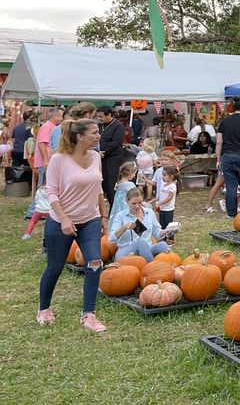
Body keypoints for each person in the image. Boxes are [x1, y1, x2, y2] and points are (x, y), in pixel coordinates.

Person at [37, 118, 108, 332]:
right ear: (80, 136)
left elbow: (99, 189)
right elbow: (51, 192)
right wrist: (64, 218)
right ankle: (44, 309)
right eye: (94, 132)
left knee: (94, 263)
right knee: (55, 267)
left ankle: (89, 315)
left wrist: (103, 217)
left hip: (90, 220)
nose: (98, 136)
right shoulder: (58, 159)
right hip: (61, 222)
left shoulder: (95, 157)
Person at [109, 187, 171, 262]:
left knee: (163, 245)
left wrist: (166, 231)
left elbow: (157, 233)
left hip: (147, 248)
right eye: (134, 203)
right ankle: (151, 266)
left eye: (140, 202)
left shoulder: (149, 212)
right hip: (127, 251)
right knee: (141, 242)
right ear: (127, 201)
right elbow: (111, 239)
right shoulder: (120, 216)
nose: (137, 206)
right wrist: (124, 227)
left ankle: (170, 266)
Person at [97, 106, 126, 205]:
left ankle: (113, 208)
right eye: (98, 117)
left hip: (113, 159)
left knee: (111, 185)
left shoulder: (118, 126)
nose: (99, 119)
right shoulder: (99, 126)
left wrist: (103, 152)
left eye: (101, 116)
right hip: (100, 158)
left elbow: (115, 142)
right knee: (101, 185)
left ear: (109, 115)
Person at [35, 108, 63, 187]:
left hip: (48, 160)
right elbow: (41, 143)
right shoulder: (47, 126)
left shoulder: (52, 127)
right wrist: (45, 160)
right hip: (45, 161)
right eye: (61, 116)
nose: (62, 118)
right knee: (43, 185)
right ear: (55, 116)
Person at [155, 165, 178, 230]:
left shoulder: (172, 186)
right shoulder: (164, 185)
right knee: (162, 225)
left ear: (171, 176)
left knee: (168, 225)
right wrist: (150, 201)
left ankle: (170, 236)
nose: (162, 177)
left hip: (168, 209)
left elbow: (169, 198)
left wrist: (159, 203)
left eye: (164, 175)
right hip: (162, 209)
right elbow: (160, 196)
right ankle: (163, 235)